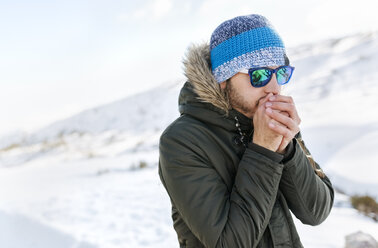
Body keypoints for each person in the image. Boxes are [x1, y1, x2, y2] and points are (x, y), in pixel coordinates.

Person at [158, 14, 334, 248]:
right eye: (259, 75)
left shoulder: (270, 121)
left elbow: (316, 212)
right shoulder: (181, 141)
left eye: (280, 73)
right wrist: (263, 151)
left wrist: (288, 149)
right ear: (223, 78)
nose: (274, 89)